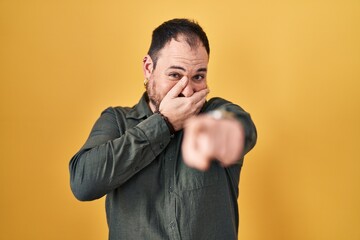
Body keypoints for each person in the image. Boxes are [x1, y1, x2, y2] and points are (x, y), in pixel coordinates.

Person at [69, 18, 257, 240]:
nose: (187, 92)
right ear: (149, 68)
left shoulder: (216, 111)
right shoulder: (116, 121)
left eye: (198, 76)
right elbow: (83, 183)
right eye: (175, 75)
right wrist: (163, 123)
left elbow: (241, 128)